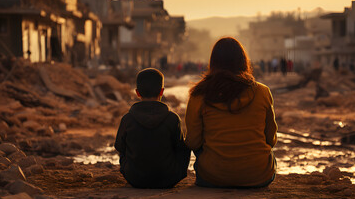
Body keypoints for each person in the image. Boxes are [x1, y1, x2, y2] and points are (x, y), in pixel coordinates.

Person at [185, 37, 277, 188]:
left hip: (212, 177)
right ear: (243, 62)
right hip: (259, 175)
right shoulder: (262, 91)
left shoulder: (199, 94)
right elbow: (271, 139)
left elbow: (193, 141)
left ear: (213, 63)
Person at [115, 68, 190, 188]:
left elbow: (119, 146)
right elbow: (180, 147)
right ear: (162, 92)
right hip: (169, 179)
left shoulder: (127, 119)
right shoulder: (173, 118)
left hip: (135, 179)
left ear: (137, 92)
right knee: (185, 146)